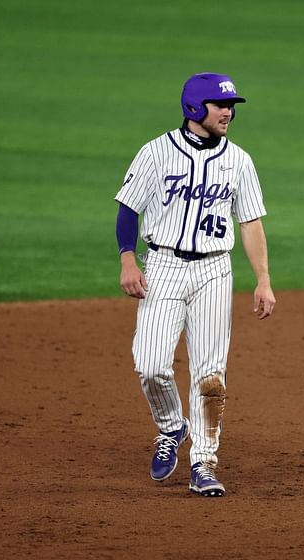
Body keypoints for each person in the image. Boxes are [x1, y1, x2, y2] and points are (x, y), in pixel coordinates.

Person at [114, 72, 275, 497]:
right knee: (150, 365)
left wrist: (263, 280)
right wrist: (128, 259)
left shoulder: (239, 160)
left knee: (210, 375)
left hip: (214, 272)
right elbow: (128, 208)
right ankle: (172, 426)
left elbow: (251, 222)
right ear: (193, 108)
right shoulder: (156, 153)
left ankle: (204, 461)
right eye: (220, 105)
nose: (229, 112)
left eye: (232, 106)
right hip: (163, 266)